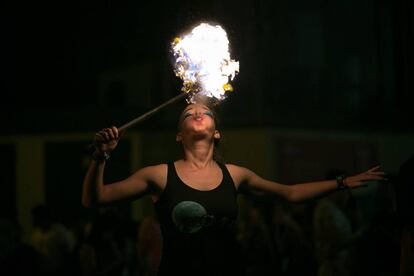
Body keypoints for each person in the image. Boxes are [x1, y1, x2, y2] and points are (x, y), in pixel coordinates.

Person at [82, 98, 386, 276]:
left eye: (206, 112)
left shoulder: (236, 175)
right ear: (179, 135)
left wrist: (342, 183)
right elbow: (95, 199)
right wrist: (101, 156)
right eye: (188, 113)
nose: (197, 112)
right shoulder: (159, 175)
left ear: (216, 133)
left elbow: (290, 193)